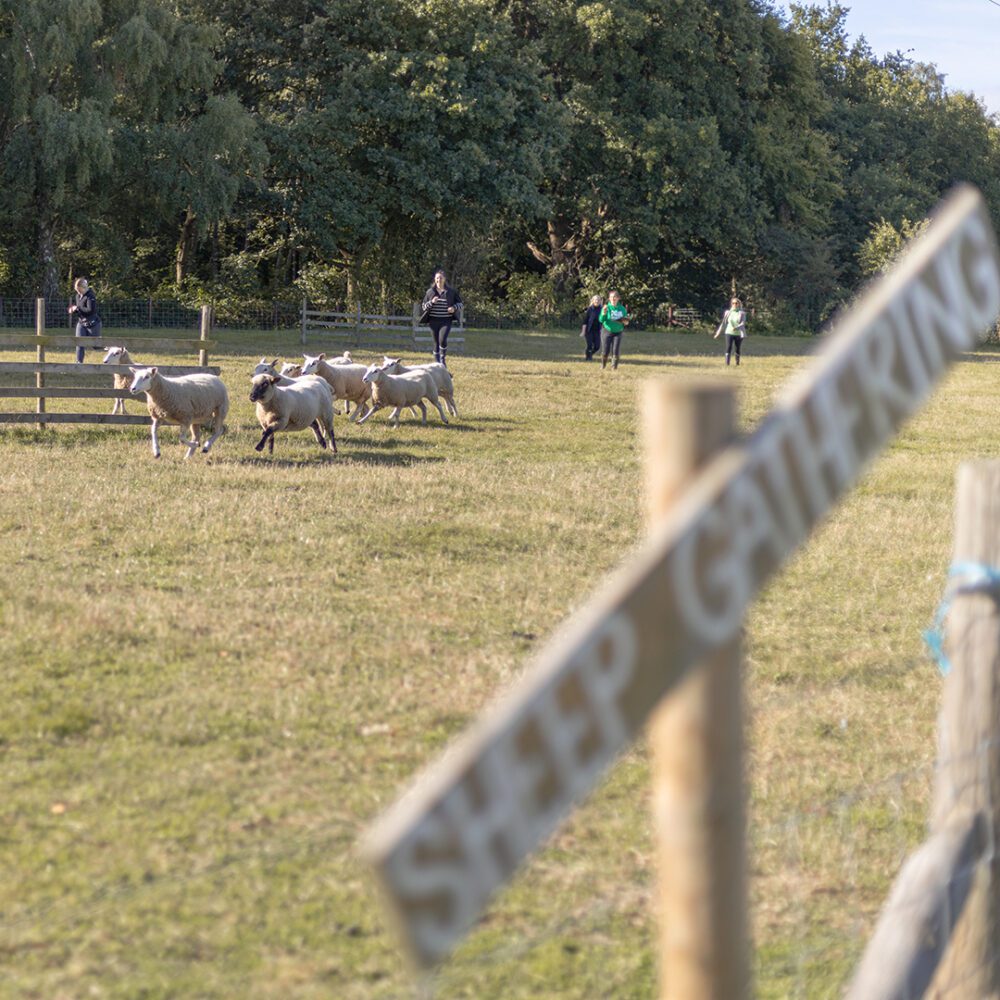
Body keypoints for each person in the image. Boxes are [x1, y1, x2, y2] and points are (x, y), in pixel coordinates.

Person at [420, 269, 462, 367]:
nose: (439, 280)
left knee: (442, 340)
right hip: (433, 321)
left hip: (446, 321)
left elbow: (460, 304)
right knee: (436, 342)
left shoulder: (451, 292)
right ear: (435, 280)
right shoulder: (430, 292)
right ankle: (437, 364)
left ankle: (442, 360)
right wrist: (431, 302)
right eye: (437, 278)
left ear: (444, 279)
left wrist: (454, 308)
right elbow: (424, 307)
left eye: (441, 278)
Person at [69, 277, 102, 363]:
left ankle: (114, 351)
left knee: (96, 346)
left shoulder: (90, 296)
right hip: (81, 323)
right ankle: (79, 362)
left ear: (84, 288)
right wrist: (74, 310)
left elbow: (90, 310)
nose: (78, 293)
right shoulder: (77, 296)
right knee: (79, 343)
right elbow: (81, 311)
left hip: (93, 324)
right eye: (77, 291)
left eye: (80, 290)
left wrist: (78, 308)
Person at [598, 290, 629, 369]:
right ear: (609, 298)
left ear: (618, 298)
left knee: (615, 350)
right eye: (611, 297)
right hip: (607, 331)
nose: (613, 299)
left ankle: (614, 367)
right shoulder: (606, 307)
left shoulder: (622, 309)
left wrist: (626, 322)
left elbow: (625, 321)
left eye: (614, 297)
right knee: (605, 350)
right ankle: (603, 365)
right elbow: (601, 320)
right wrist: (603, 313)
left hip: (618, 332)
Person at [713, 296, 747, 366]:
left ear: (739, 304)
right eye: (733, 303)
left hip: (738, 333)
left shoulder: (742, 313)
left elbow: (743, 323)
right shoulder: (728, 312)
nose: (734, 304)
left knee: (737, 348)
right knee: (728, 347)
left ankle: (737, 363)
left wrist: (737, 327)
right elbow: (723, 323)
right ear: (731, 304)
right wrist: (717, 333)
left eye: (736, 303)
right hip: (729, 332)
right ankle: (727, 364)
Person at [581, 294, 603, 360]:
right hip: (589, 330)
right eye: (595, 299)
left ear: (600, 301)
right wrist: (583, 331)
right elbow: (585, 321)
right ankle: (589, 357)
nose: (597, 301)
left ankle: (589, 353)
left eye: (598, 300)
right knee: (590, 345)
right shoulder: (590, 309)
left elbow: (604, 320)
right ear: (593, 301)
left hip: (597, 330)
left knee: (597, 346)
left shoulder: (602, 310)